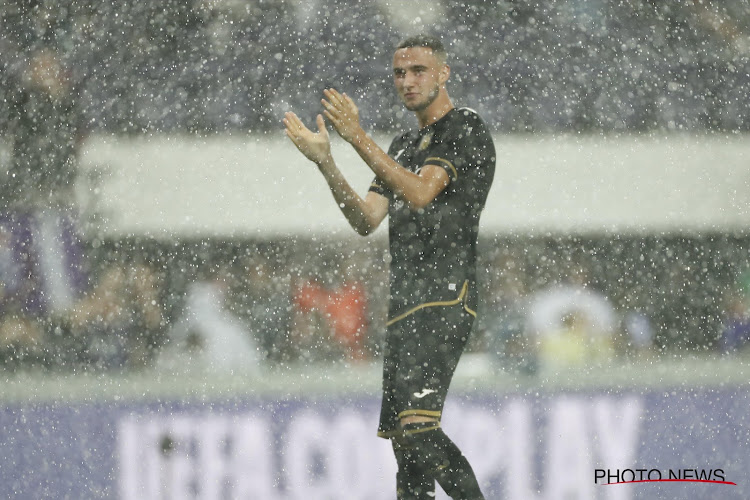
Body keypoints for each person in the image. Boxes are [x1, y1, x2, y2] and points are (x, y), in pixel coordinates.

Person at [283, 34, 495, 500]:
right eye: (400, 73)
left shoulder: (464, 127)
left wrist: (356, 135)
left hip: (444, 294)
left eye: (419, 71)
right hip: (405, 303)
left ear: (444, 73)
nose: (408, 81)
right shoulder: (402, 144)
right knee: (405, 444)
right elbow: (366, 218)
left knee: (418, 430)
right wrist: (326, 162)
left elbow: (420, 194)